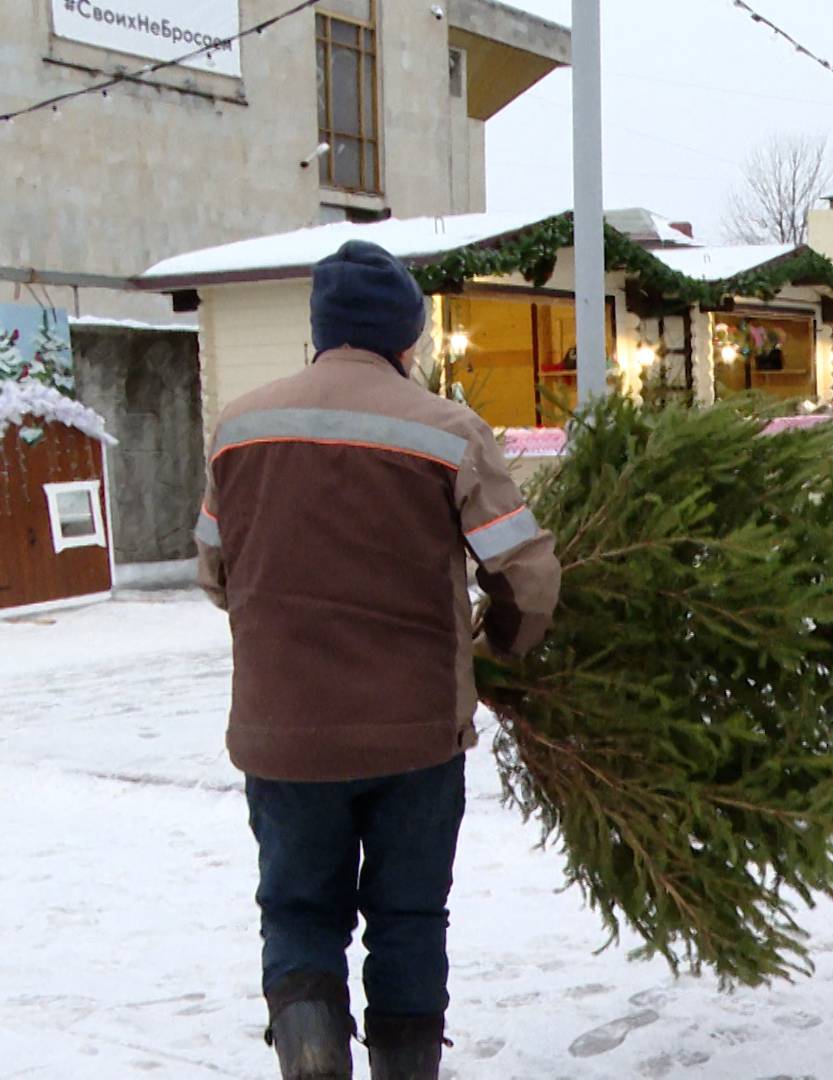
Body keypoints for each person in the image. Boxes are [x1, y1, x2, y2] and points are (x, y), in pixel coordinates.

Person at [195, 240, 561, 1079]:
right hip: (415, 740)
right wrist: (499, 649)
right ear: (406, 340)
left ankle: (313, 1055)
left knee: (297, 911)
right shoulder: (446, 431)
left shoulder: (238, 429)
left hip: (282, 735)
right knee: (407, 918)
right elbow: (526, 574)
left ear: (320, 331)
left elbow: (216, 570)